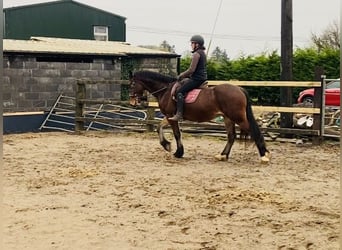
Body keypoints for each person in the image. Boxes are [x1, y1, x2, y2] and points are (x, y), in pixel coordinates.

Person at [168, 35, 208, 121]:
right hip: (202, 78)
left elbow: (191, 70)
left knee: (180, 92)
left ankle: (179, 114)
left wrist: (181, 75)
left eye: (192, 43)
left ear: (197, 44)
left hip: (196, 79)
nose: (191, 45)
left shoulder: (196, 54)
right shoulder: (202, 53)